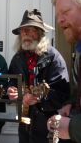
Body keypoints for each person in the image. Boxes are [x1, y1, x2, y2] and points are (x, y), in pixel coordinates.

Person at [7, 9, 71, 143]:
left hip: (49, 124)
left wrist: (39, 99)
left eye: (30, 29)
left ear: (40, 33)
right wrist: (12, 91)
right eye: (23, 30)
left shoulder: (53, 57)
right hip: (25, 125)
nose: (25, 33)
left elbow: (62, 94)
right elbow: (12, 83)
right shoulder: (17, 59)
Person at [47, 0, 81, 143]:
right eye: (58, 15)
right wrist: (71, 105)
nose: (59, 20)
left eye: (65, 12)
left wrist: (72, 128)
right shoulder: (78, 50)